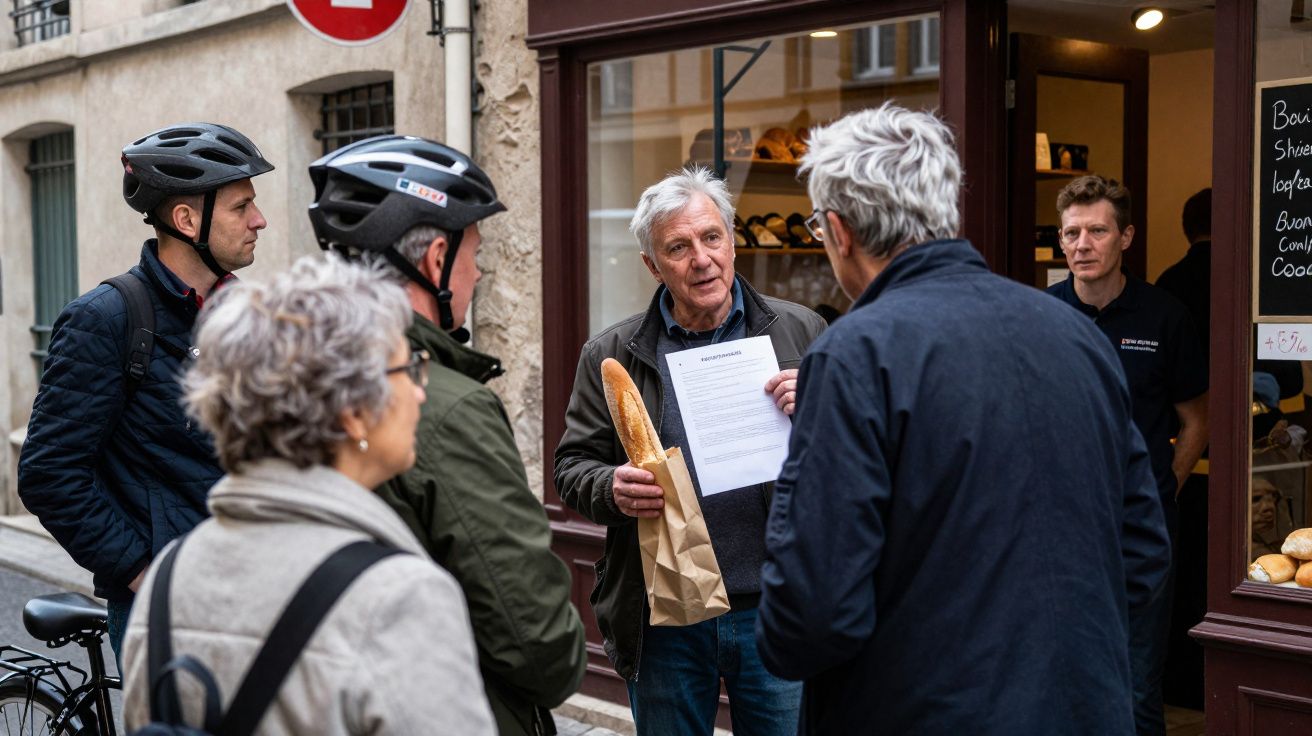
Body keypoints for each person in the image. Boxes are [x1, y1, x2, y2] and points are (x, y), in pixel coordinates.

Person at [754, 104, 1171, 735]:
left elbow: (811, 614)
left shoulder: (854, 351)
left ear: (839, 231)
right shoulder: (1075, 335)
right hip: (1083, 707)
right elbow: (1141, 550)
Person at [120, 254, 495, 734]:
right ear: (353, 412)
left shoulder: (170, 575)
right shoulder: (400, 597)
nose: (420, 392)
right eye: (407, 369)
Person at [308, 134, 586, 736]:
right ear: (436, 258)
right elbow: (540, 647)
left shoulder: (291, 383)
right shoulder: (446, 407)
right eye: (473, 253)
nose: (477, 272)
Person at [554, 167, 826, 736]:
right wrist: (611, 487)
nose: (701, 259)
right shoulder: (611, 353)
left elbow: (853, 461)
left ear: (732, 241)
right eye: (678, 247)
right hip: (665, 615)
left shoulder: (802, 331)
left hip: (776, 607)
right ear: (653, 265)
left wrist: (825, 412)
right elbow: (572, 466)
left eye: (711, 238)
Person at [19, 123, 273, 657]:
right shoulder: (107, 319)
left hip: (252, 589)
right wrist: (143, 572)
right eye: (240, 206)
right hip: (164, 611)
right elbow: (49, 473)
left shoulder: (245, 313)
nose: (259, 220)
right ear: (186, 219)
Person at [1046, 175, 1208, 735]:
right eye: (1072, 233)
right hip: (1058, 526)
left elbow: (1197, 418)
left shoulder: (1165, 316)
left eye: (1097, 230)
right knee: (1058, 673)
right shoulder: (1040, 315)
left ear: (1126, 237)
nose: (1083, 244)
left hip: (1144, 528)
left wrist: (1165, 485)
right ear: (1060, 242)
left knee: (1138, 683)